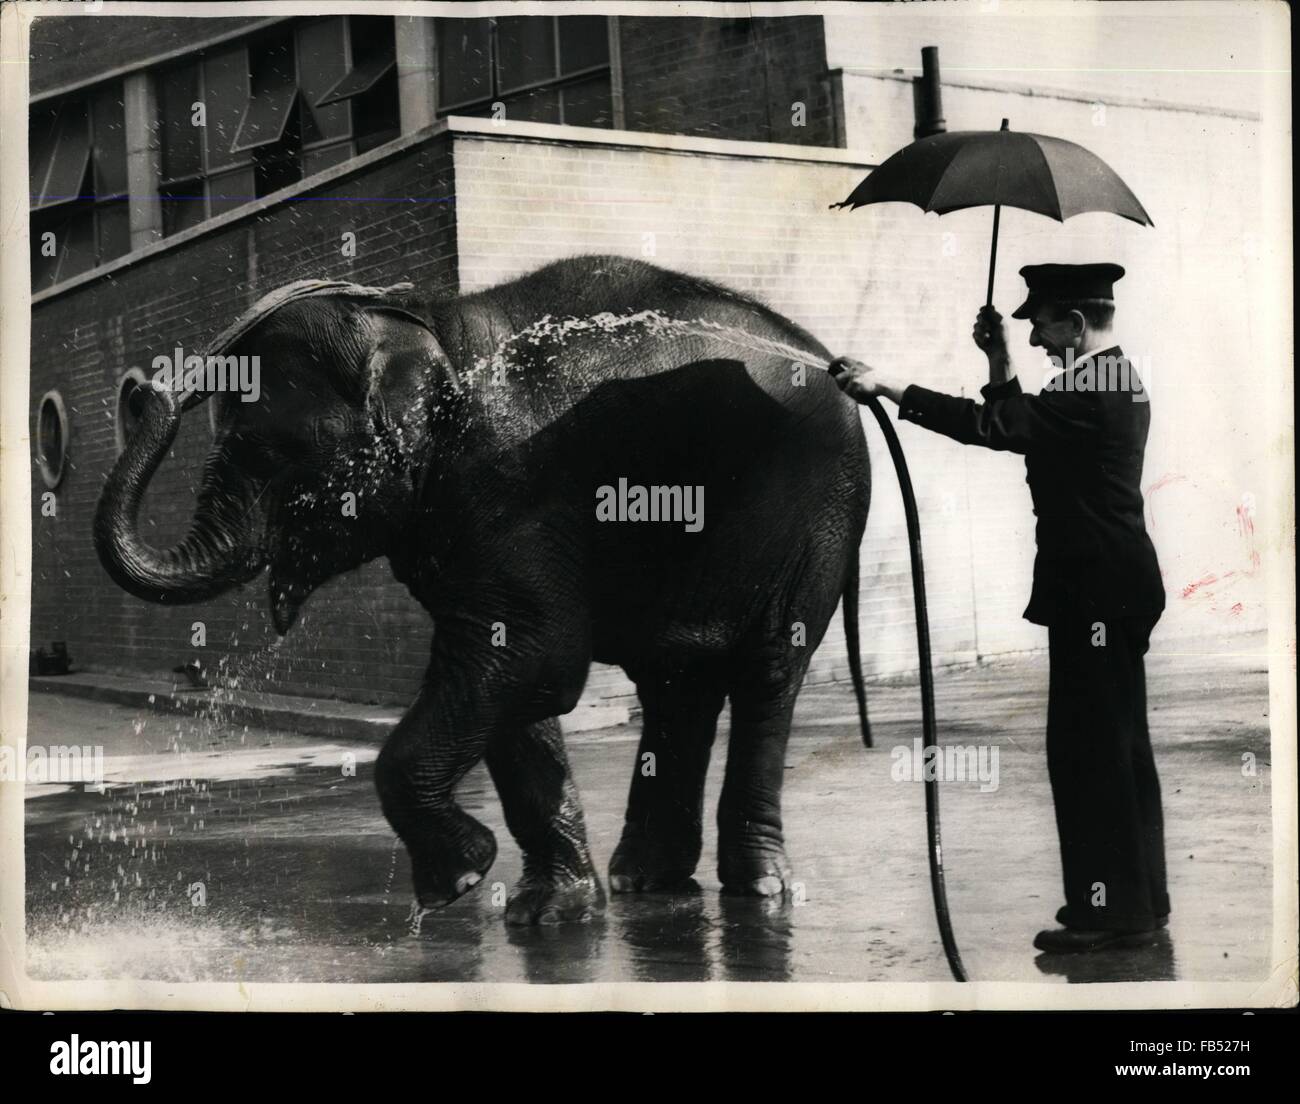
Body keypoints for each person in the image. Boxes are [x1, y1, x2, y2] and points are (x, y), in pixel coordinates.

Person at [830, 263, 1169, 953]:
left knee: (1091, 754)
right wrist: (997, 358)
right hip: (1109, 585)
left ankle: (1115, 914)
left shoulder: (1096, 388)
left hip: (1097, 593)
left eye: (1041, 325)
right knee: (1115, 748)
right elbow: (1022, 423)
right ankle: (1133, 900)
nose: (1038, 338)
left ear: (1075, 323)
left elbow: (995, 426)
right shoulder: (1103, 379)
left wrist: (888, 384)